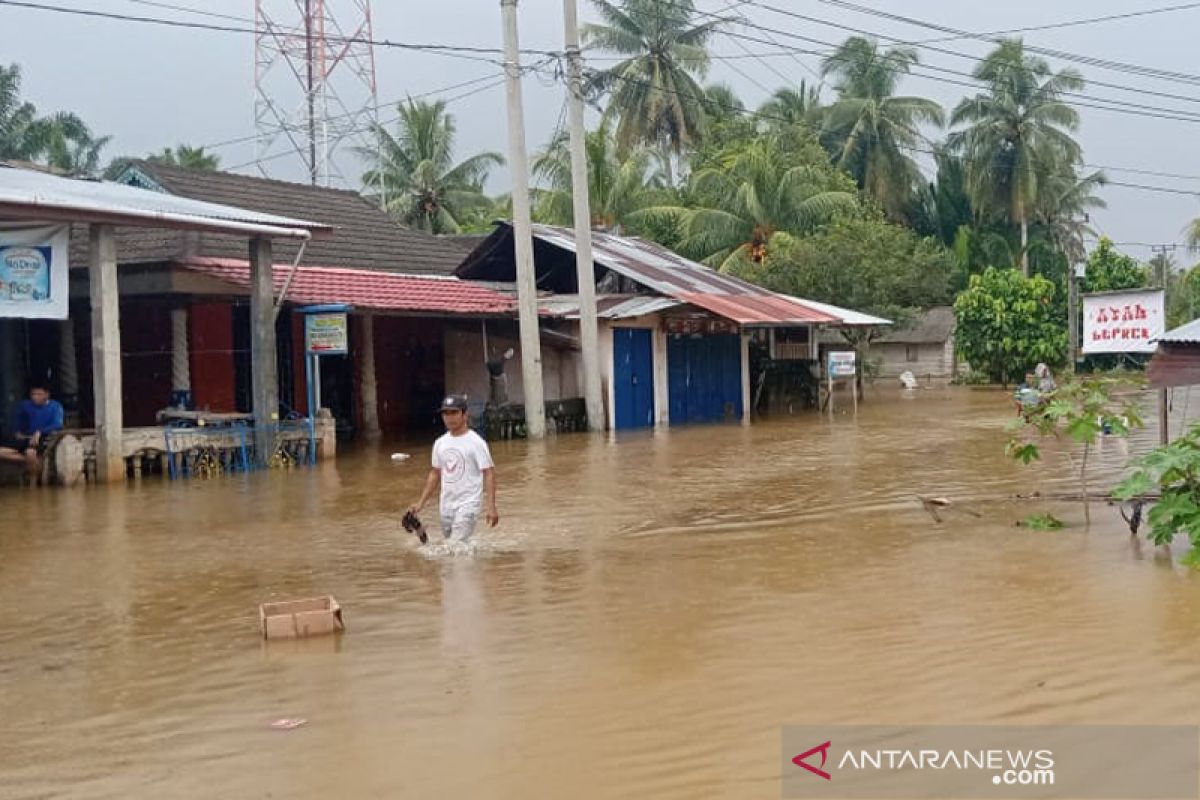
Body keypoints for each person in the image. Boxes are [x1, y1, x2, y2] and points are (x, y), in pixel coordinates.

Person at [408, 394, 498, 543]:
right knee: (455, 548)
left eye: (454, 412)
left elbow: (489, 473)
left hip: (469, 503)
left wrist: (491, 506)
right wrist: (420, 503)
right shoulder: (440, 443)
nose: (449, 418)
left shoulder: (476, 443)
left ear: (465, 415)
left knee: (454, 545)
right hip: (446, 505)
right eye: (446, 413)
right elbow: (435, 474)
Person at [0, 384, 64, 479]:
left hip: (43, 438)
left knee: (30, 452)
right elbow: (18, 421)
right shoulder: (25, 405)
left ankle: (34, 482)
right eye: (33, 394)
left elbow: (57, 424)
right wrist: (18, 432)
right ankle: (30, 461)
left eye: (39, 394)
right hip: (26, 438)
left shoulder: (55, 406)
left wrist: (40, 432)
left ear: (47, 395)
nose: (35, 397)